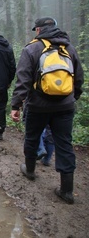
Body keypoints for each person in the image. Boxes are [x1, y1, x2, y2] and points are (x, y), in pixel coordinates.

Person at [10, 17, 84, 204]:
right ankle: (67, 190)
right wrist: (71, 99)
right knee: (64, 144)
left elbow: (23, 79)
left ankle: (30, 170)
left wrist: (16, 105)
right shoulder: (69, 48)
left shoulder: (32, 48)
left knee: (32, 137)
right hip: (65, 106)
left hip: (38, 105)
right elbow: (79, 78)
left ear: (38, 30)